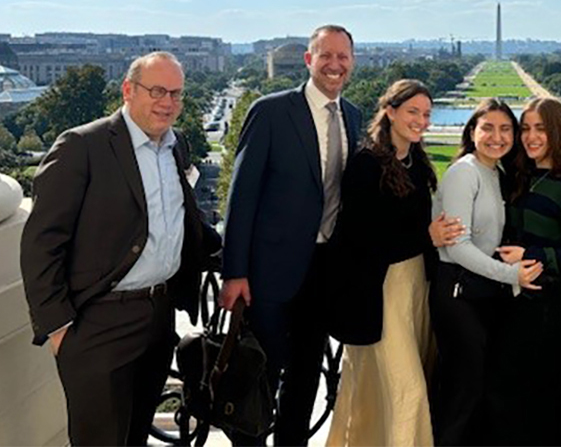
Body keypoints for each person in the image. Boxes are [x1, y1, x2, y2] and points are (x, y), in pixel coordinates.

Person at [20, 51, 220, 446]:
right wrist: (61, 329)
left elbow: (182, 218)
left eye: (176, 94)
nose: (168, 103)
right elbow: (42, 242)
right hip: (99, 323)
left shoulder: (174, 145)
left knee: (133, 437)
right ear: (128, 90)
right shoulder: (82, 146)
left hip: (158, 318)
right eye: (157, 91)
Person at [220, 24, 363, 445]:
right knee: (260, 377)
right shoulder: (271, 111)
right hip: (269, 274)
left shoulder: (353, 116)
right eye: (326, 56)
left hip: (323, 273)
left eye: (343, 57)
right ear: (309, 60)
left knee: (304, 381)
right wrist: (234, 272)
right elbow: (241, 196)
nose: (334, 65)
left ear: (352, 63)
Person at [325, 79, 442, 446]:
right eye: (412, 112)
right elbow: (363, 239)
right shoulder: (365, 164)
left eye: (426, 114)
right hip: (380, 290)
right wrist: (428, 237)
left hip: (416, 287)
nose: (421, 120)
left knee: (386, 392)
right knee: (406, 391)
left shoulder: (416, 162)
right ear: (389, 111)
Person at [429, 99, 544, 446]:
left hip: (480, 292)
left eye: (506, 128)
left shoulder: (495, 172)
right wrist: (512, 276)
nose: (497, 136)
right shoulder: (465, 172)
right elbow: (458, 248)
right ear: (472, 131)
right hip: (458, 292)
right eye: (488, 128)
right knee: (463, 392)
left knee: (476, 391)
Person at [493, 96, 561, 447]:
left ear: (558, 132)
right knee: (511, 394)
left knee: (544, 398)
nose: (531, 136)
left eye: (541, 129)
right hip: (515, 300)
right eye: (526, 128)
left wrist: (531, 254)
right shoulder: (520, 176)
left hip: (551, 305)